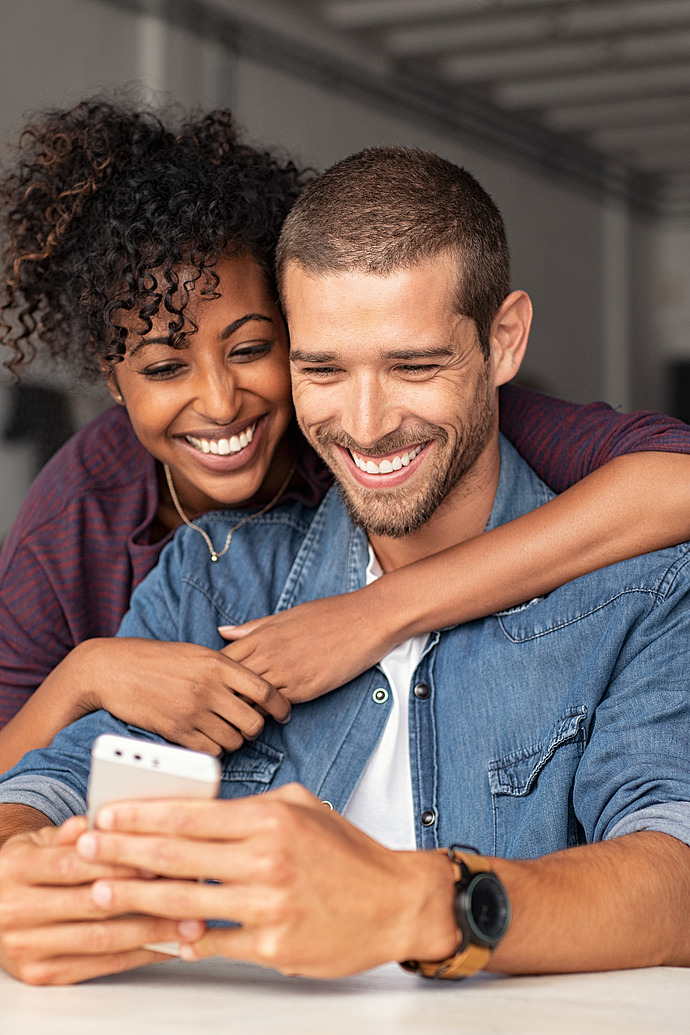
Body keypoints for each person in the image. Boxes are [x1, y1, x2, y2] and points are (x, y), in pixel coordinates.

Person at [0, 146, 688, 986]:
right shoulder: (210, 575)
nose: (365, 425)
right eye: (322, 368)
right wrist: (23, 875)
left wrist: (415, 902)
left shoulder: (638, 588)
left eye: (415, 365)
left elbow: (674, 876)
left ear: (504, 341)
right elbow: (50, 786)